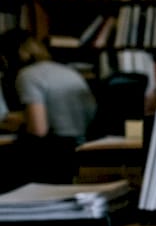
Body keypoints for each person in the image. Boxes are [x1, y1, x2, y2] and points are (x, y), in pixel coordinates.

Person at [6, 32, 97, 182]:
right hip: (83, 146)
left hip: (54, 153)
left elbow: (38, 130)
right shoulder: (69, 71)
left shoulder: (28, 75)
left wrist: (21, 122)